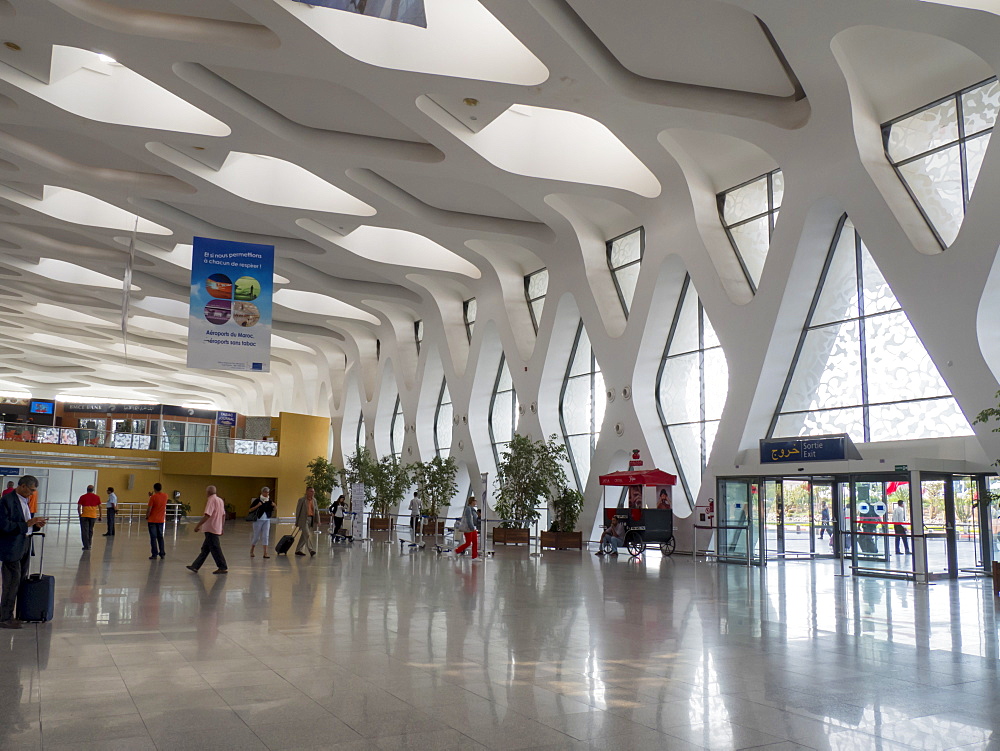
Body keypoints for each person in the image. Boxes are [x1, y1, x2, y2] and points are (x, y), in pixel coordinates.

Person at [0, 475, 46, 629]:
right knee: (11, 583)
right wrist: (27, 524)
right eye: (31, 490)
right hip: (12, 547)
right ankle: (4, 617)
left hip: (25, 544)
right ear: (23, 486)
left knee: (19, 580)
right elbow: (4, 526)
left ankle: (13, 614)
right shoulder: (6, 501)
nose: (32, 493)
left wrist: (36, 525)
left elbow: (27, 523)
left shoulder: (26, 501)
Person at [186, 485, 228, 574]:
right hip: (216, 527)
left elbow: (207, 515)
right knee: (205, 549)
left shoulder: (211, 500)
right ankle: (195, 566)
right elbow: (223, 515)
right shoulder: (220, 500)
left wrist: (198, 525)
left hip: (210, 528)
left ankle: (222, 566)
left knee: (215, 548)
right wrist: (221, 527)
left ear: (208, 492)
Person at [249, 486, 274, 558]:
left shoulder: (269, 501)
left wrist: (274, 506)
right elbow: (250, 509)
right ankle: (252, 550)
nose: (267, 493)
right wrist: (258, 505)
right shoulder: (257, 500)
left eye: (268, 492)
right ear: (262, 492)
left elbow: (273, 508)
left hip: (267, 520)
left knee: (265, 536)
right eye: (265, 492)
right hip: (258, 520)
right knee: (256, 536)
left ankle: (265, 553)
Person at [294, 487, 318, 557]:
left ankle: (298, 550)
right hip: (303, 519)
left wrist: (317, 520)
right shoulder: (302, 500)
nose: (312, 493)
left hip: (311, 519)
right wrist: (297, 521)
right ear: (307, 492)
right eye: (311, 491)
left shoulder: (314, 500)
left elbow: (316, 511)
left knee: (304, 536)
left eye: (313, 492)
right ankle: (311, 550)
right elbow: (298, 511)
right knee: (307, 534)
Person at [146, 482, 168, 560]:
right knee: (160, 537)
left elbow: (149, 509)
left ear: (154, 488)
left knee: (153, 537)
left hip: (152, 520)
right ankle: (162, 553)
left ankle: (154, 554)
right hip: (161, 520)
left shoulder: (153, 497)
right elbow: (159, 501)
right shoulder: (165, 496)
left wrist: (147, 516)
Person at [77, 484, 101, 550]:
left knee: (85, 531)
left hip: (84, 516)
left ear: (87, 490)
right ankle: (89, 544)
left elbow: (79, 506)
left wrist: (79, 514)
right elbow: (100, 507)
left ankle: (86, 545)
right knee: (90, 530)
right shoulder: (97, 497)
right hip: (93, 516)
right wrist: (100, 516)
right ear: (93, 490)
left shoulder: (82, 497)